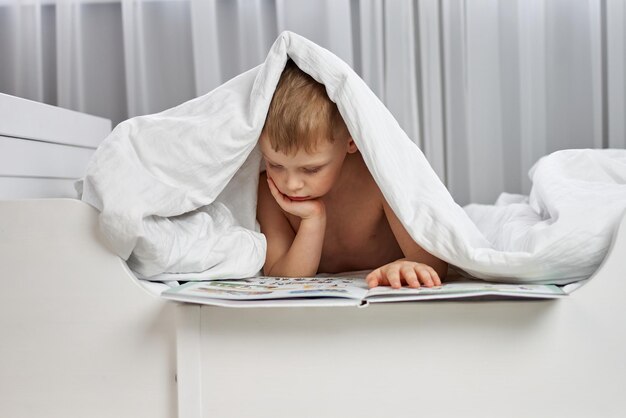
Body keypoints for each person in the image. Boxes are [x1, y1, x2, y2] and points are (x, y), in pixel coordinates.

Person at [256, 60, 447, 289]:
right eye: (275, 165)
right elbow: (282, 276)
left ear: (352, 141)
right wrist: (312, 221)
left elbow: (433, 256)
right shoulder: (269, 191)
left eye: (311, 169)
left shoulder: (376, 176)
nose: (291, 184)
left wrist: (407, 265)